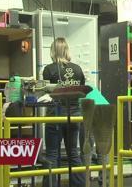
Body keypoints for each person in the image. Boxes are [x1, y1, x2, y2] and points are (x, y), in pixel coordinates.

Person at [42, 38, 86, 187]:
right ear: (67, 50)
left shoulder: (49, 69)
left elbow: (45, 93)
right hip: (74, 116)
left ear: (53, 51)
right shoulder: (78, 69)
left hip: (55, 116)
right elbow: (82, 91)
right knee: (73, 153)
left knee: (52, 155)